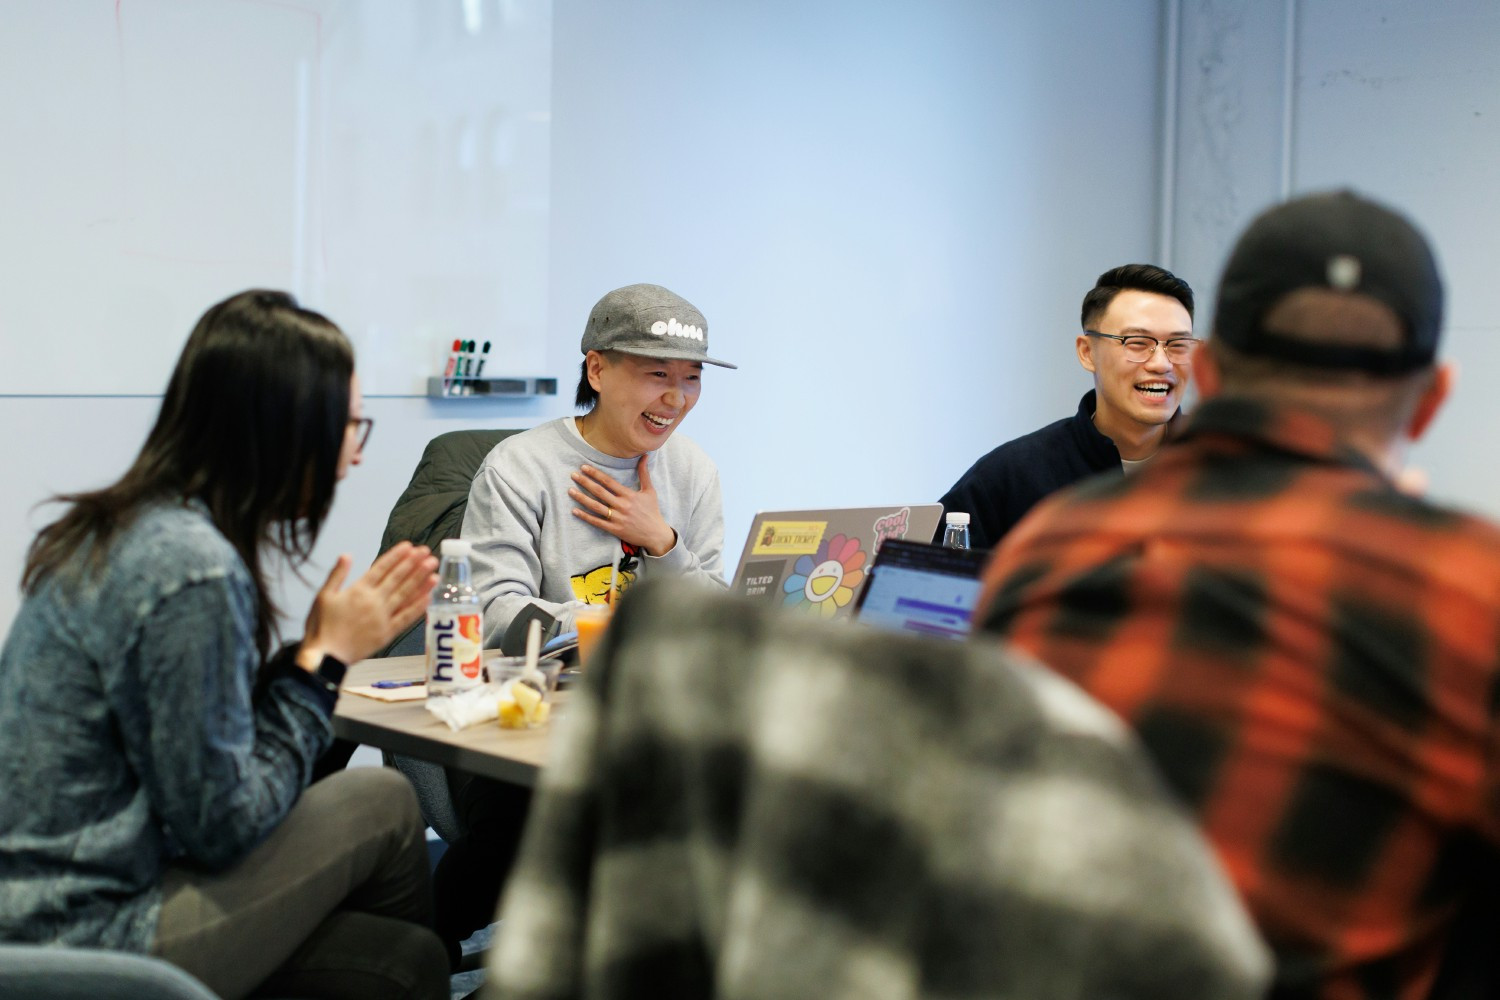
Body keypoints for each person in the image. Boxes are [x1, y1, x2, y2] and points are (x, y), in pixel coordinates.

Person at [973, 190, 1492, 1000]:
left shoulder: (1046, 545)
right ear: (1431, 401)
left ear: (1204, 369)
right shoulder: (1467, 585)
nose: (1158, 363)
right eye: (1137, 343)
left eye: (1172, 346)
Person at [0, 290, 447, 1000]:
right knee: (387, 802)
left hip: (56, 899)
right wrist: (323, 660)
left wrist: (311, 660)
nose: (355, 456)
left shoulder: (130, 528)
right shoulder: (190, 567)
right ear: (281, 428)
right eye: (348, 426)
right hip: (87, 929)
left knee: (400, 956)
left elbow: (201, 762)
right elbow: (221, 822)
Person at [437, 282, 734, 962]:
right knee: (517, 837)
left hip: (661, 723)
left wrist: (662, 544)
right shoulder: (521, 467)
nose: (676, 399)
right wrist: (607, 624)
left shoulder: (692, 473)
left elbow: (713, 615)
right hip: (538, 725)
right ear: (597, 370)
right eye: (657, 375)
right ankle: (423, 952)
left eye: (690, 380)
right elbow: (496, 609)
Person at [935, 264, 1195, 549]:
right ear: (1087, 353)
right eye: (1136, 343)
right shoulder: (1012, 477)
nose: (1161, 363)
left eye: (1178, 345)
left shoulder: (1227, 477)